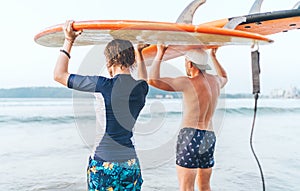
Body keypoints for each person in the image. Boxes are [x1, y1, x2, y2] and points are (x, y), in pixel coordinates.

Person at [54, 20, 149, 191]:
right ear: (132, 61)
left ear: (109, 62)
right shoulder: (141, 89)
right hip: (131, 165)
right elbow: (143, 79)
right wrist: (139, 53)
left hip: (104, 165)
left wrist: (69, 40)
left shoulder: (103, 85)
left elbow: (59, 75)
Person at [148, 44, 227, 191]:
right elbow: (224, 77)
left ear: (190, 63)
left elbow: (153, 80)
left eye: (185, 61)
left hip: (190, 136)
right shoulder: (216, 81)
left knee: (186, 187)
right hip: (209, 136)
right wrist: (214, 57)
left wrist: (160, 53)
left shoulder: (187, 82)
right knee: (204, 186)